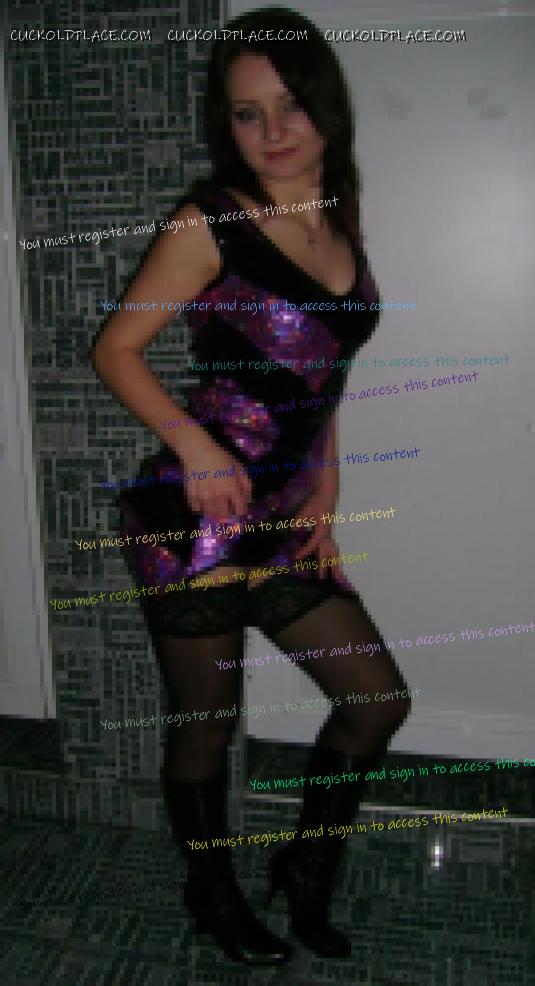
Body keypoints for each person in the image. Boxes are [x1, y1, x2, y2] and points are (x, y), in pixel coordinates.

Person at [92, 6, 412, 967]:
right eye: (246, 113)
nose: (272, 130)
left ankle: (304, 870)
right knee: (207, 724)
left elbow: (321, 373)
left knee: (374, 700)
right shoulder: (211, 221)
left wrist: (324, 489)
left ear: (325, 109)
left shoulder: (340, 222)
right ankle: (212, 893)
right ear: (223, 124)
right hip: (193, 517)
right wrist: (193, 444)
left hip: (282, 518)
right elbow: (116, 349)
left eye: (289, 106)